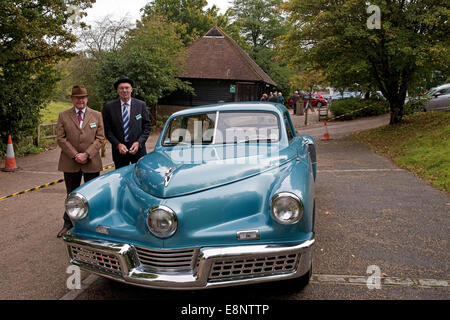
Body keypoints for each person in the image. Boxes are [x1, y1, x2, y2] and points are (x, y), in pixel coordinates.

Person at [56, 85, 105, 238]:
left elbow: (100, 138)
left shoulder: (96, 115)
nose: (80, 100)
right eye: (77, 97)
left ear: (87, 98)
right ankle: (68, 223)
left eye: (83, 97)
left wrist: (87, 154)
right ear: (72, 99)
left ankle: (92, 225)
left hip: (92, 162)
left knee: (92, 195)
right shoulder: (63, 115)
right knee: (71, 194)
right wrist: (75, 155)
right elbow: (60, 138)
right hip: (70, 162)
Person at [103, 75, 151, 169]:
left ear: (131, 89)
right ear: (117, 90)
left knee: (139, 176)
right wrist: (118, 144)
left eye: (126, 88)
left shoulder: (141, 105)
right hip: (119, 152)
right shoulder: (109, 107)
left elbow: (147, 126)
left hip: (138, 150)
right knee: (121, 178)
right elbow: (107, 130)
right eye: (121, 88)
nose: (124, 90)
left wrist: (139, 142)